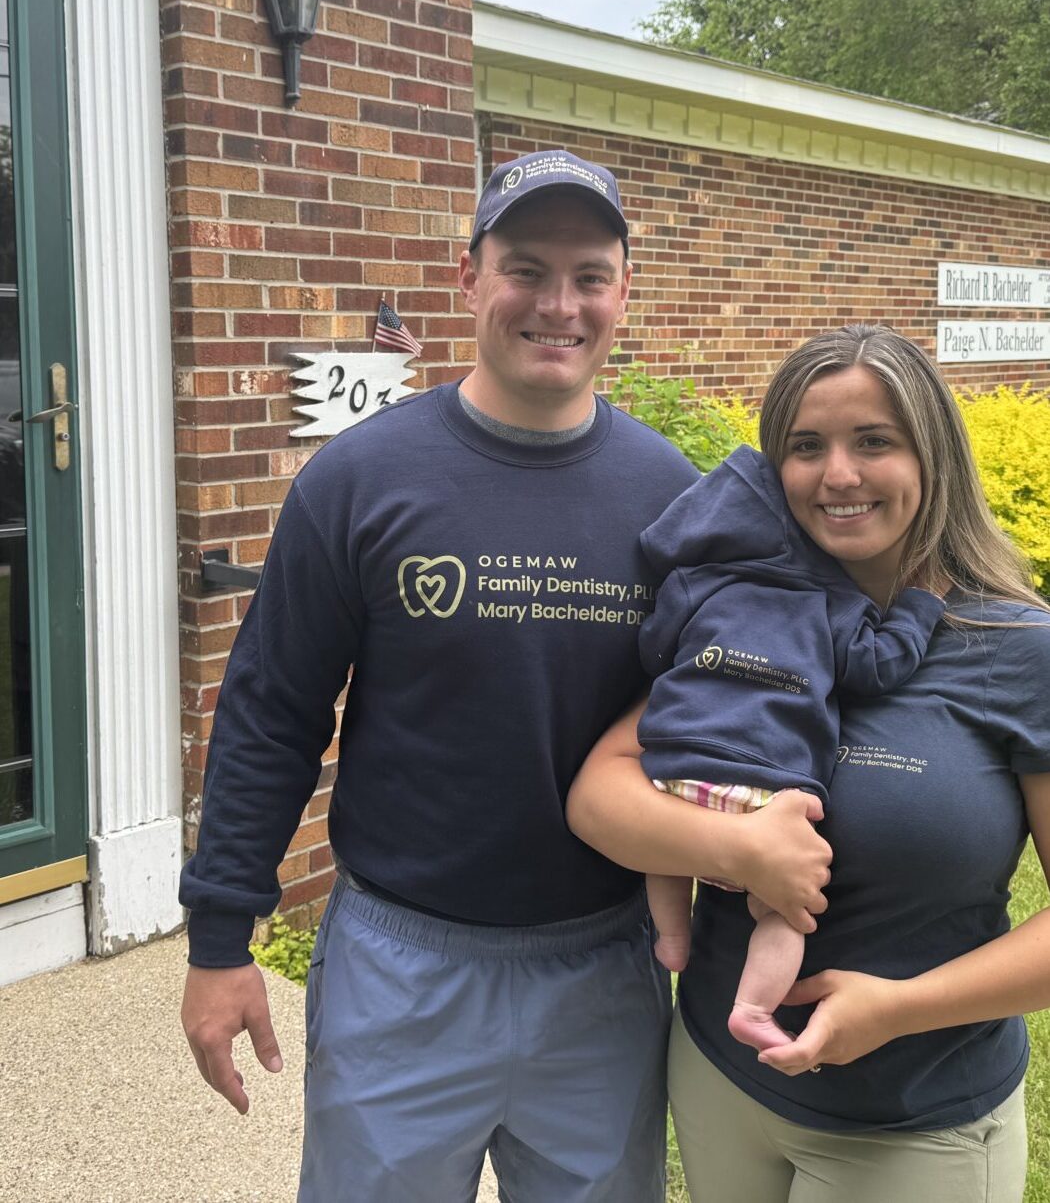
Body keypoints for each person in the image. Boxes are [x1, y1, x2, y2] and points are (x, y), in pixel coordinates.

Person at [177, 148, 832, 1203]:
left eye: (590, 275)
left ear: (624, 291)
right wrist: (219, 941)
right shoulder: (360, 480)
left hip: (602, 973)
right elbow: (271, 713)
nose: (557, 304)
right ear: (467, 277)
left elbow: (724, 703)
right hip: (402, 967)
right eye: (526, 267)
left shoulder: (672, 497)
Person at [568, 323, 1050, 1203]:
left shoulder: (1017, 650)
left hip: (914, 1121)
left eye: (875, 442)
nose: (837, 475)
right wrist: (738, 853)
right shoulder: (754, 610)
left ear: (933, 455)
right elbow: (601, 792)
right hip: (720, 1080)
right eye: (805, 446)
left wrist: (897, 1009)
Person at [638, 442, 945, 1055]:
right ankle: (753, 1007)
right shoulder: (832, 601)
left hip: (675, 768)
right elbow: (876, 667)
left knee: (661, 847)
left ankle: (672, 937)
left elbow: (655, 646)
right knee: (783, 908)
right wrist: (919, 607)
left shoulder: (697, 583)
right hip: (767, 791)